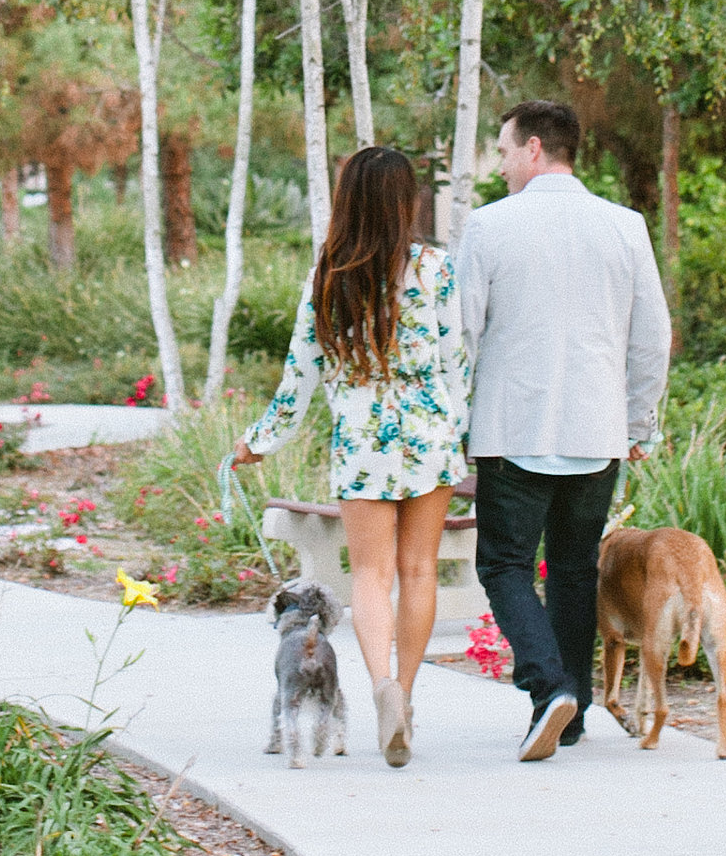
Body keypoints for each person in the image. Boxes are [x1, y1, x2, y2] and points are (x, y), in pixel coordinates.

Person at [230, 143, 468, 766]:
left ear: (347, 203)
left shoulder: (328, 276)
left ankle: (381, 686)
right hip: (428, 435)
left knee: (370, 575)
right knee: (418, 571)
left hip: (361, 441)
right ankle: (406, 699)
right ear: (405, 202)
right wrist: (462, 433)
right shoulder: (435, 270)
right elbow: (456, 364)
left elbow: (297, 380)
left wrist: (257, 442)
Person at [454, 96, 670, 762]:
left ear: (535, 150)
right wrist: (640, 422)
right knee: (575, 570)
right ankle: (570, 714)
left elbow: (460, 335)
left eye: (504, 151)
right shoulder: (626, 226)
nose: (499, 166)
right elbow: (652, 338)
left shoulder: (488, 228)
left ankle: (550, 689)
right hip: (596, 430)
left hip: (511, 430)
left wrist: (449, 424)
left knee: (504, 565)